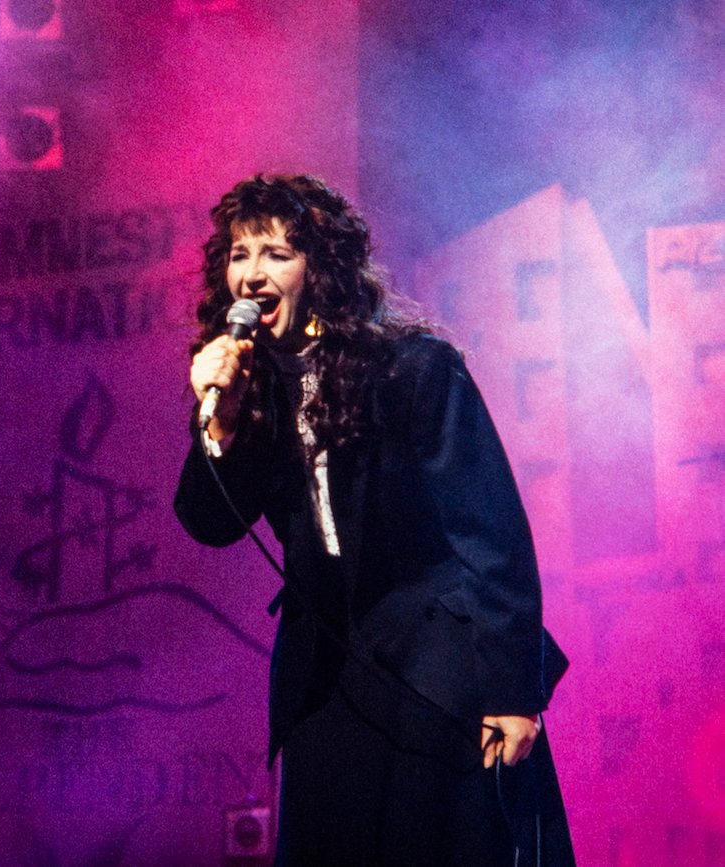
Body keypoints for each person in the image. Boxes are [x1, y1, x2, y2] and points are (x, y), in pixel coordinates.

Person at [173, 175, 573, 866]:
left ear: (319, 267)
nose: (253, 273)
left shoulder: (411, 368)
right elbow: (208, 521)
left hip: (436, 659)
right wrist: (224, 422)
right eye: (240, 254)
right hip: (329, 673)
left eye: (276, 253)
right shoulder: (249, 387)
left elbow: (492, 533)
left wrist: (512, 690)